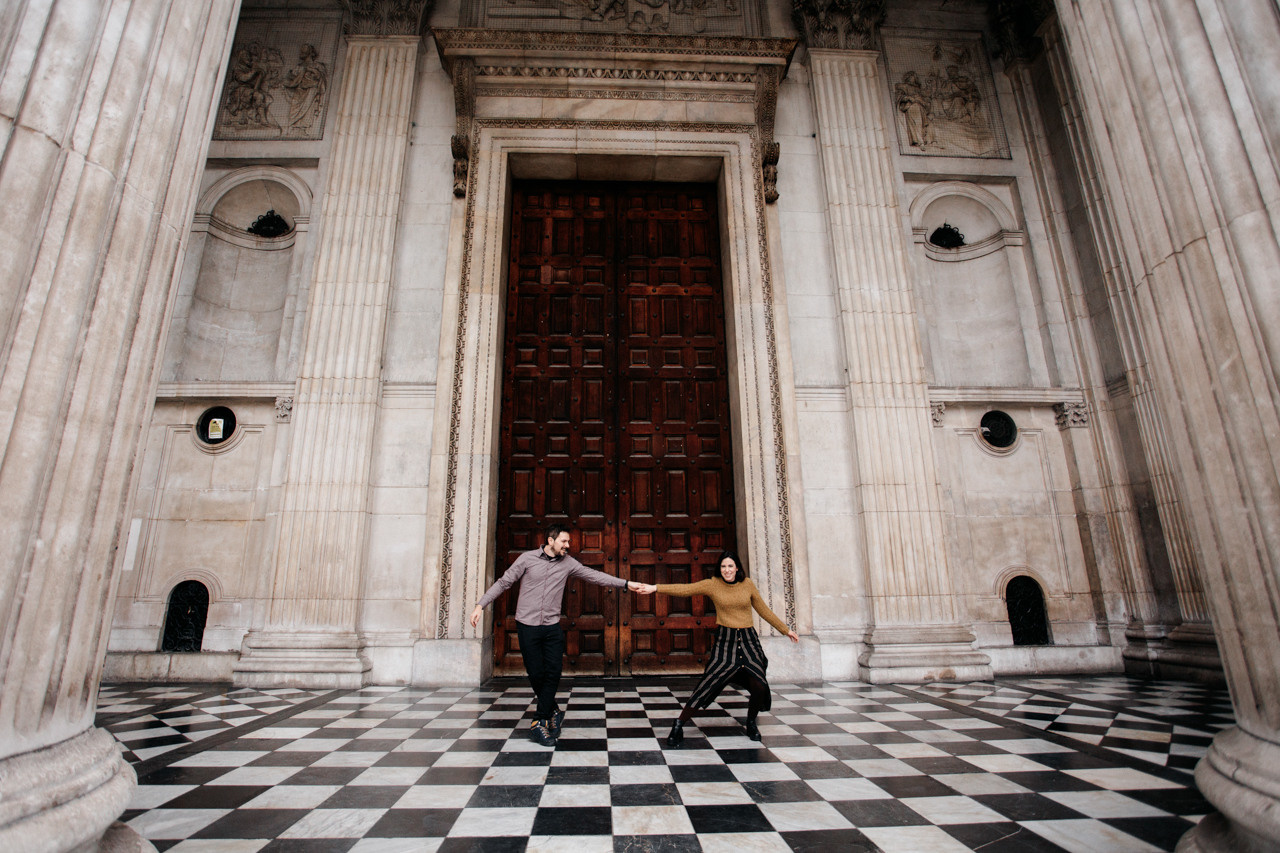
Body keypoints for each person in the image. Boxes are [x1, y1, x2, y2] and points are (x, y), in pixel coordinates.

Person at [471, 524, 652, 746]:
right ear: (550, 541)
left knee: (553, 673)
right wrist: (481, 605)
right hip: (527, 625)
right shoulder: (527, 559)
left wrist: (626, 584)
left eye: (568, 542)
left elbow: (594, 576)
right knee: (536, 674)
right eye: (564, 541)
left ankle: (539, 722)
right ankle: (554, 710)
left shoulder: (568, 563)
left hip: (551, 627)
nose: (568, 545)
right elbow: (504, 582)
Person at [635, 551, 798, 746]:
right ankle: (679, 723)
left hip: (748, 641)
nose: (727, 570)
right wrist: (655, 588)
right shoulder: (713, 584)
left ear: (737, 568)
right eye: (723, 567)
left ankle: (751, 722)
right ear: (719, 569)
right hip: (726, 642)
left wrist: (785, 630)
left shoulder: (747, 584)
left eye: (730, 566)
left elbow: (763, 610)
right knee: (707, 684)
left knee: (760, 684)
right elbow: (685, 589)